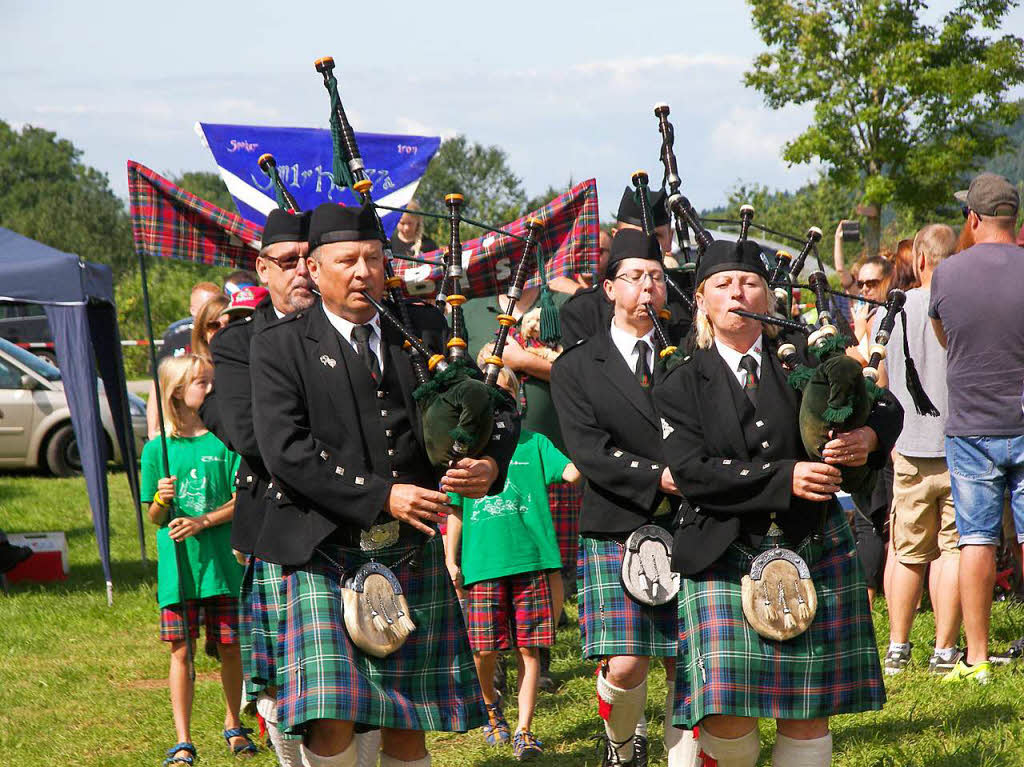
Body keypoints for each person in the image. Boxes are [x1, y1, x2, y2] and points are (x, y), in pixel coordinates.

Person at [249, 201, 518, 767]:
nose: (362, 271)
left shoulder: (422, 328)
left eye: (373, 258)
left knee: (408, 719)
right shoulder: (281, 344)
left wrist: (489, 461)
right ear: (314, 270)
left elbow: (489, 408)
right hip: (321, 547)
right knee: (331, 719)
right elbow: (286, 452)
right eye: (346, 260)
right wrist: (381, 494)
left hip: (409, 550)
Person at [655, 238, 903, 767]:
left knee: (807, 709)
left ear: (767, 298)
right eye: (722, 284)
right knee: (726, 712)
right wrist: (784, 476)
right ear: (701, 301)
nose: (737, 292)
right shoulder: (681, 380)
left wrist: (870, 439)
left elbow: (882, 403)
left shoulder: (804, 357)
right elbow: (692, 472)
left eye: (749, 283)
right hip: (722, 549)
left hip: (809, 540)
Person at [551, 230, 700, 766]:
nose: (648, 288)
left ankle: (681, 755)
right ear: (609, 288)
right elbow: (589, 451)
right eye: (635, 277)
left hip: (693, 523)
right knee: (626, 665)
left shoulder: (691, 355)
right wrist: (659, 476)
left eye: (657, 278)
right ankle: (621, 746)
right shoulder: (576, 365)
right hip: (618, 520)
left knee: (688, 660)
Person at [199, 209, 314, 767]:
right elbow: (252, 435)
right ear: (262, 269)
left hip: (352, 520)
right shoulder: (238, 342)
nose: (301, 273)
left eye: (307, 261)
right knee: (284, 681)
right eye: (287, 262)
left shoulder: (351, 333)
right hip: (274, 521)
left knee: (360, 680)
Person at [445, 361, 580, 761]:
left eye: (503, 394)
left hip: (532, 562)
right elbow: (454, 511)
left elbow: (571, 472)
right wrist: (451, 561)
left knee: (529, 649)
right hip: (483, 564)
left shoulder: (535, 444)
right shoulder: (464, 454)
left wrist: (596, 447)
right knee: (483, 651)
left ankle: (524, 729)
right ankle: (490, 709)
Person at [929, 172, 1024, 684]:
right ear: (1015, 219)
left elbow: (946, 336)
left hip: (971, 426)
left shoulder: (948, 274)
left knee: (977, 540)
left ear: (973, 217)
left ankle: (978, 657)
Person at [141, 353, 253, 766]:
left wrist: (203, 521)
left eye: (211, 382)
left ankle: (233, 724)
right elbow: (154, 517)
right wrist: (160, 499)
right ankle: (183, 740)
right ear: (175, 394)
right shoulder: (157, 450)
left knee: (229, 646)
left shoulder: (224, 442)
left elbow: (243, 500)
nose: (211, 390)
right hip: (179, 570)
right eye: (201, 384)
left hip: (221, 567)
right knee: (181, 651)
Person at [881, 223, 960, 676]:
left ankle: (898, 646)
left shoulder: (893, 310)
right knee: (951, 550)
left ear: (920, 259)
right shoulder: (962, 308)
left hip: (908, 446)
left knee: (908, 551)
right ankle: (945, 649)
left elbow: (882, 384)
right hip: (958, 445)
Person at [560, 187, 684, 348]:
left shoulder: (690, 298)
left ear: (670, 238)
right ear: (615, 236)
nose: (645, 244)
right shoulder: (583, 311)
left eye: (656, 236)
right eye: (633, 235)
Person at [147, 281, 221, 437]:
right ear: (192, 310)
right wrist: (153, 429)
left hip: (213, 428)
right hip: (178, 428)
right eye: (203, 308)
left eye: (213, 309)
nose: (209, 315)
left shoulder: (224, 339)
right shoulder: (176, 338)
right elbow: (158, 385)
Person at [190, 294, 229, 363]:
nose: (221, 331)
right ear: (203, 333)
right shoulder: (193, 372)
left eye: (229, 325)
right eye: (214, 326)